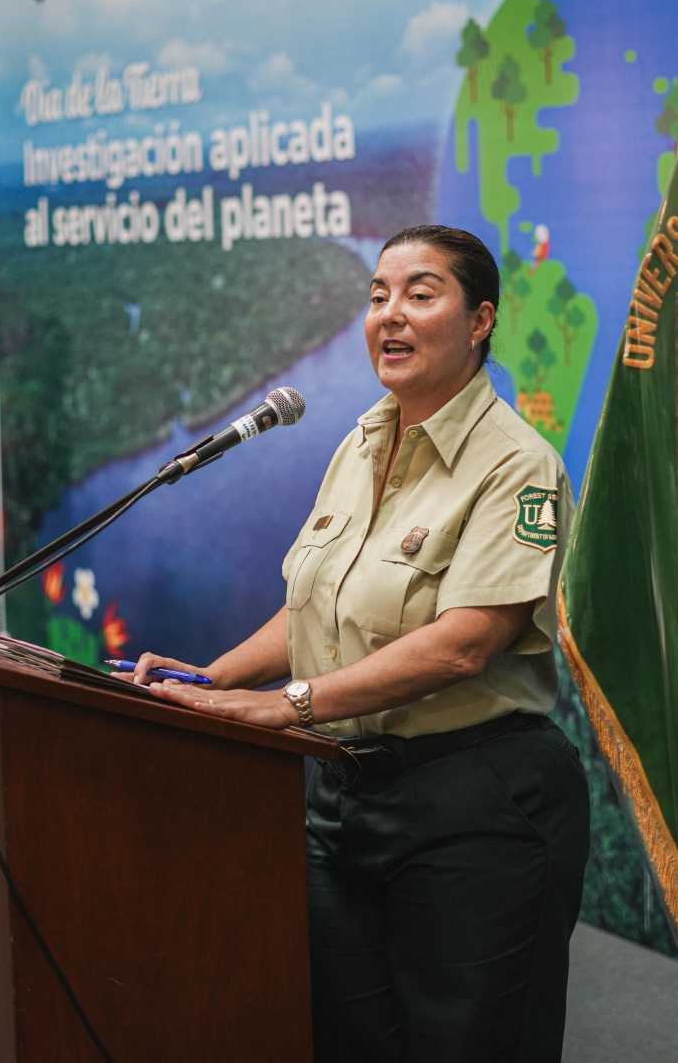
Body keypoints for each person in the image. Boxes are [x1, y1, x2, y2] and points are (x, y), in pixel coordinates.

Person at [127, 225, 590, 1061]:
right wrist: (210, 678)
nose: (390, 314)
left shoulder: (517, 466)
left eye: (420, 293)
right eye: (377, 295)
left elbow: (461, 647)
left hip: (476, 804)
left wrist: (284, 707)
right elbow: (316, 604)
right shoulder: (360, 443)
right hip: (346, 802)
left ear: (479, 319)